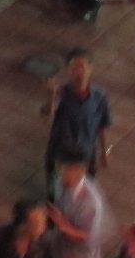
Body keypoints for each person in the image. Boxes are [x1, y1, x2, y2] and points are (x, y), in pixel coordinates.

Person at [43, 50, 112, 186]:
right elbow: (48, 115)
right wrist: (51, 95)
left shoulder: (99, 97)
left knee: (85, 189)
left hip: (86, 153)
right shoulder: (61, 93)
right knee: (58, 191)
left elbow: (102, 125)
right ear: (68, 70)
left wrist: (104, 152)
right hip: (61, 153)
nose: (79, 72)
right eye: (74, 67)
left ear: (90, 69)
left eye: (82, 67)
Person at [48, 153, 115, 258]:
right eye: (60, 168)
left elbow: (91, 237)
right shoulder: (60, 182)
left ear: (80, 171)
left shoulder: (91, 203)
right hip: (61, 251)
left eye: (66, 170)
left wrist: (64, 225)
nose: (61, 174)